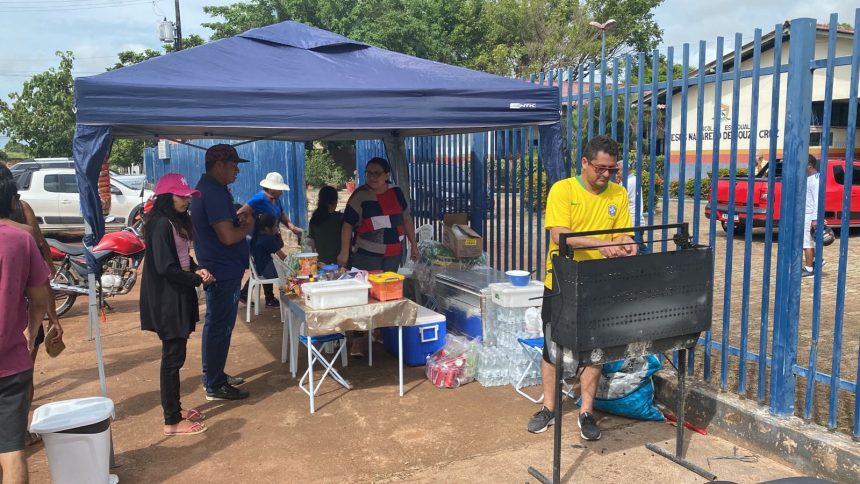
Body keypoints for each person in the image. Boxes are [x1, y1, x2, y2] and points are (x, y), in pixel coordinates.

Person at [527, 136, 637, 441]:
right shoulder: (563, 190)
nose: (605, 175)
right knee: (553, 349)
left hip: (600, 283)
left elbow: (623, 234)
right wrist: (601, 244)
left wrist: (627, 245)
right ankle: (549, 407)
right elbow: (559, 235)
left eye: (611, 169)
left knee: (595, 351)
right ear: (585, 163)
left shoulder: (618, 193)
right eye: (600, 168)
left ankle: (586, 411)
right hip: (562, 282)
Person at [140, 173, 214, 436]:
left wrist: (198, 269)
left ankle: (176, 408)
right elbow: (166, 267)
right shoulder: (160, 224)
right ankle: (171, 420)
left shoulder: (174, 222)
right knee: (172, 359)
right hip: (167, 299)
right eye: (180, 196)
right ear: (165, 197)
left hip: (177, 295)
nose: (185, 200)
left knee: (176, 356)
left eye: (187, 196)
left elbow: (181, 258)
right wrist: (195, 278)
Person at [0, 164, 64, 446]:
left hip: (25, 308)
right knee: (21, 375)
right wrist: (50, 317)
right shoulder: (22, 226)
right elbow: (41, 266)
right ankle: (17, 433)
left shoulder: (22, 213)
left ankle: (19, 431)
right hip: (21, 316)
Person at [337, 157, 418, 356]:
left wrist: (414, 246)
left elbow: (406, 219)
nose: (372, 177)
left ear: (387, 175)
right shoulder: (360, 195)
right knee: (363, 295)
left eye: (377, 173)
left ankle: (380, 332)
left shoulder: (397, 193)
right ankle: (358, 338)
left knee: (386, 295)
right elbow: (347, 225)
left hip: (392, 254)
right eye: (369, 173)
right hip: (366, 254)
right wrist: (344, 252)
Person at [191, 144, 254, 401]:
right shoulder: (213, 193)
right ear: (219, 165)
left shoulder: (210, 189)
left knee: (218, 326)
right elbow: (227, 237)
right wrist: (248, 227)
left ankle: (215, 375)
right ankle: (214, 384)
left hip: (221, 268)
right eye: (233, 165)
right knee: (219, 327)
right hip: (222, 270)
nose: (237, 170)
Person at [0, 176, 51, 483]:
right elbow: (41, 297)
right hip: (12, 363)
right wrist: (31, 333)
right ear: (11, 201)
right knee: (11, 451)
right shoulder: (21, 239)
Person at [239, 172, 303, 308]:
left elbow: (282, 214)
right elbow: (241, 212)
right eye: (280, 189)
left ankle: (264, 297)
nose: (281, 192)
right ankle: (280, 298)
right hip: (261, 238)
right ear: (272, 188)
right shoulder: (258, 199)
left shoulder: (276, 200)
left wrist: (291, 227)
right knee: (269, 266)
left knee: (263, 265)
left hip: (270, 236)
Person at [250, 213, 288, 296]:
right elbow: (283, 257)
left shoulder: (257, 236)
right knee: (290, 273)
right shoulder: (268, 239)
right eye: (275, 226)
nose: (277, 228)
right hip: (267, 271)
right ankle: (288, 298)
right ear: (267, 228)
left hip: (260, 269)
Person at [307, 185, 343, 265]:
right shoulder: (341, 218)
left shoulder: (314, 219)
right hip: (339, 264)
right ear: (335, 201)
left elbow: (312, 244)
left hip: (321, 264)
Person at [802, 154, 821, 279]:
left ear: (809, 165)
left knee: (807, 243)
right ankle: (815, 262)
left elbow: (817, 201)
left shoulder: (815, 179)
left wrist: (814, 219)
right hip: (807, 214)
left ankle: (809, 269)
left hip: (810, 215)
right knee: (808, 242)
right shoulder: (809, 178)